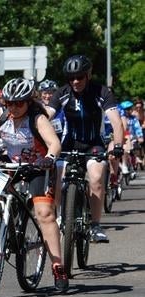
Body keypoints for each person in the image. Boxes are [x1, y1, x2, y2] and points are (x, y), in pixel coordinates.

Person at [0, 78, 68, 292]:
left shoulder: (37, 118)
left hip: (37, 167)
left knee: (44, 213)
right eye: (8, 103)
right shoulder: (1, 115)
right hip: (11, 164)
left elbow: (54, 144)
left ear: (28, 102)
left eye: (18, 103)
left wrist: (49, 158)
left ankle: (58, 266)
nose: (13, 107)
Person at [46, 54, 124, 243]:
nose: (75, 81)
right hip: (68, 144)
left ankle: (95, 225)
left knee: (96, 177)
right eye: (71, 77)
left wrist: (118, 145)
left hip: (93, 144)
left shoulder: (102, 92)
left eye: (80, 77)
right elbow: (47, 115)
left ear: (88, 75)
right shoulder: (62, 93)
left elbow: (116, 121)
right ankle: (57, 218)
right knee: (57, 175)